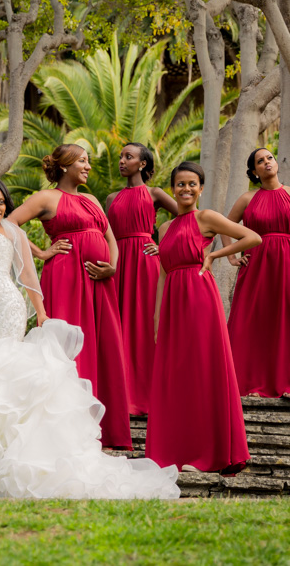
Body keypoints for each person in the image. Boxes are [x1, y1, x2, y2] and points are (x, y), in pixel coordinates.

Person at [0, 179, 180, 499]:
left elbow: (27, 276)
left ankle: (4, 454)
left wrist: (42, 311)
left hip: (4, 308)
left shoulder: (11, 232)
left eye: (1, 202)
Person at [4, 144, 132, 450]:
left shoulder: (91, 200)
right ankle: (67, 431)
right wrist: (43, 252)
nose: (88, 166)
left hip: (100, 283)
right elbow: (9, 224)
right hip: (66, 278)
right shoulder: (46, 198)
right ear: (65, 166)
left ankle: (106, 430)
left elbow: (109, 238)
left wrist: (112, 268)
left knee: (103, 348)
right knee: (69, 350)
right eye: (83, 161)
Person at [146, 161, 260, 475]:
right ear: (173, 189)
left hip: (199, 297)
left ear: (201, 188)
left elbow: (252, 238)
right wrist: (157, 317)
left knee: (201, 369)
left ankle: (206, 453)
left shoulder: (206, 217)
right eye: (180, 184)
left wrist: (214, 255)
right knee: (176, 376)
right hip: (172, 303)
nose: (186, 189)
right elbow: (162, 274)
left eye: (192, 184)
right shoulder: (165, 228)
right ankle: (174, 451)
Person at [224, 148, 290, 398]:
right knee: (254, 322)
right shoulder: (247, 199)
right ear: (254, 171)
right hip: (256, 265)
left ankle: (289, 383)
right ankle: (250, 382)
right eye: (260, 161)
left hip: (288, 262)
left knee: (289, 321)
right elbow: (225, 227)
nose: (267, 162)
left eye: (270, 158)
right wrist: (232, 256)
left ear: (276, 162)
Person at [105, 143, 178, 416]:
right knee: (120, 325)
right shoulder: (111, 199)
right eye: (121, 156)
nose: (122, 161)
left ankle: (151, 395)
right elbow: (106, 235)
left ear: (143, 164)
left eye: (129, 156)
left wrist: (164, 247)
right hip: (119, 263)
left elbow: (189, 218)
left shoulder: (155, 193)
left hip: (146, 263)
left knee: (147, 324)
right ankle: (121, 394)